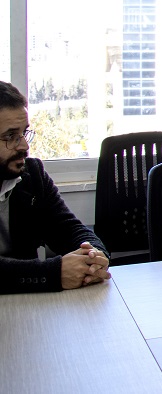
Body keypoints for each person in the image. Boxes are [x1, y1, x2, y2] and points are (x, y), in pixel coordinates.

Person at [0, 81, 111, 293]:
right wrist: (53, 273)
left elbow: (69, 229)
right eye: (10, 136)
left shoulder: (32, 175)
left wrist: (94, 256)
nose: (24, 145)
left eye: (24, 133)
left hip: (28, 303)